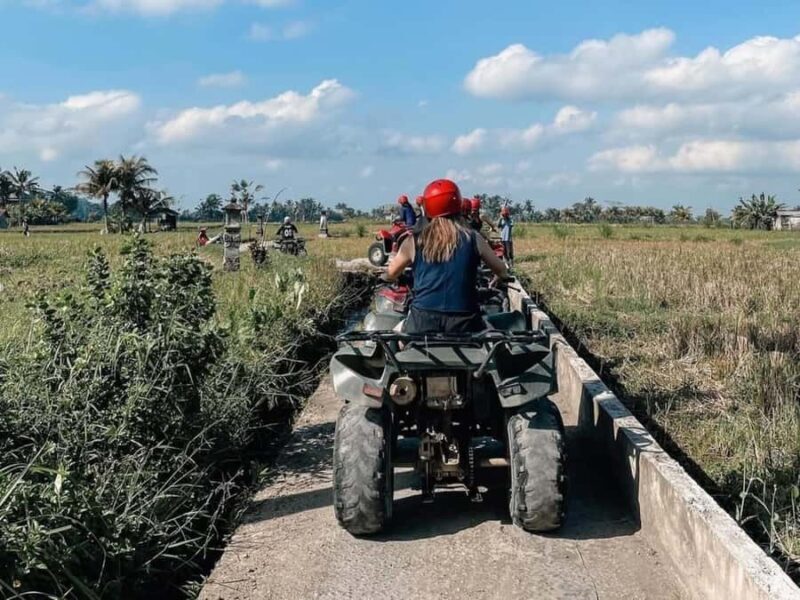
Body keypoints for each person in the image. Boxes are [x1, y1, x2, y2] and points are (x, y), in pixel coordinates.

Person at [385, 179, 508, 334]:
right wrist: (500, 276)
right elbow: (502, 271)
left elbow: (390, 274)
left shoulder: (413, 241)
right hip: (466, 321)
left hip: (422, 320)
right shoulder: (474, 238)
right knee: (491, 332)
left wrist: (390, 277)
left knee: (395, 335)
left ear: (427, 206)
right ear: (458, 204)